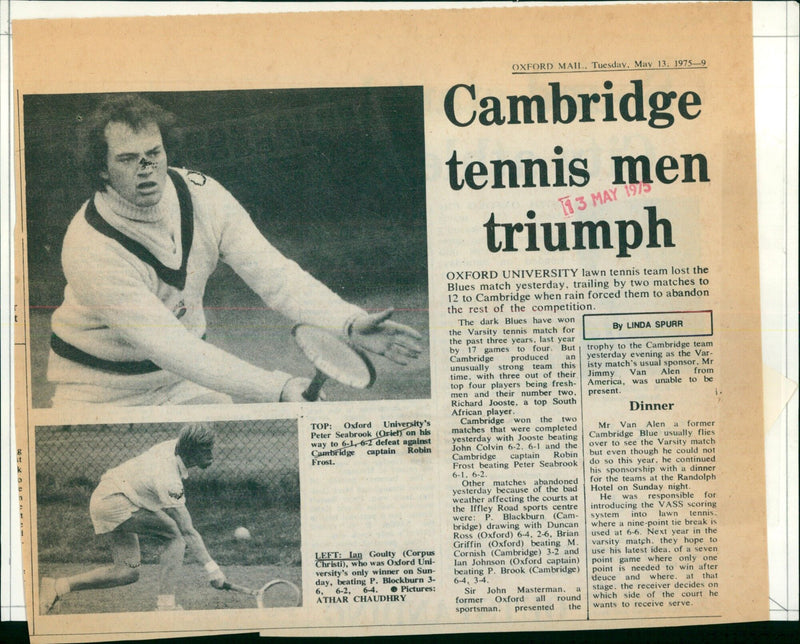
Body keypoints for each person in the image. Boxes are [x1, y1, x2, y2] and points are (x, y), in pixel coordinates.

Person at [47, 94, 423, 406]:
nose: (146, 168)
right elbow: (172, 347)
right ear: (101, 169)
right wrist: (276, 388)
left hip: (183, 385)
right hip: (99, 394)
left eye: (154, 153)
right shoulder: (89, 246)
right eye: (127, 159)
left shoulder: (203, 194)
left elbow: (276, 275)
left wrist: (348, 322)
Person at [40, 424, 224, 613]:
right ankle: (166, 606)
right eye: (205, 450)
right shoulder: (169, 479)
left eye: (210, 448)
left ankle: (58, 586)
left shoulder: (176, 446)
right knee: (175, 535)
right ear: (190, 451)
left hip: (111, 495)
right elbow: (188, 531)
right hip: (114, 500)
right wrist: (213, 570)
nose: (211, 455)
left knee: (127, 572)